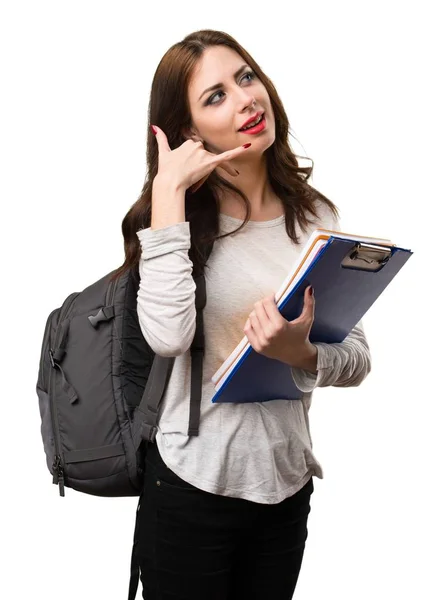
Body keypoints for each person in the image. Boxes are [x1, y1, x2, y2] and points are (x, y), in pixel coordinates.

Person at [113, 29, 372, 600]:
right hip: (191, 485)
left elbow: (357, 358)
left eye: (246, 77)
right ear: (188, 133)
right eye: (216, 96)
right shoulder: (175, 221)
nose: (245, 99)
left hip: (285, 486)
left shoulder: (315, 215)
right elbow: (166, 335)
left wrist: (298, 353)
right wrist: (168, 193)